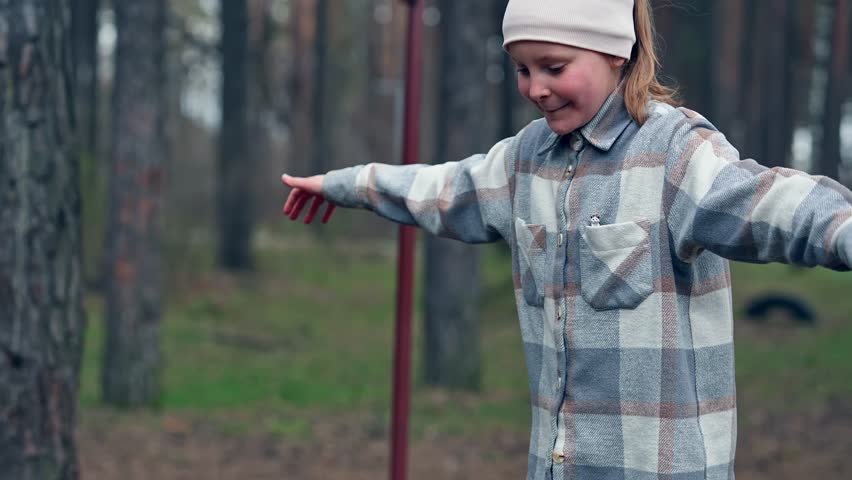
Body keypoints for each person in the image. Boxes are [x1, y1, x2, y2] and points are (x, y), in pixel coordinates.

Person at [281, 0, 852, 478]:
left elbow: (772, 201)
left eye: (554, 66)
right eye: (523, 70)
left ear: (615, 53)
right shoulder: (525, 160)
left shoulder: (674, 153)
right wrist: (345, 185)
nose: (536, 88)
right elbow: (440, 188)